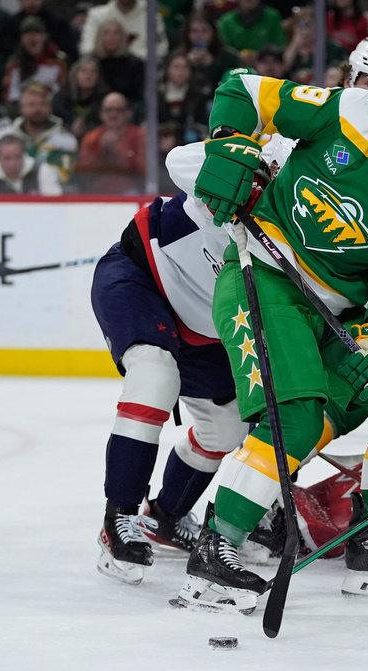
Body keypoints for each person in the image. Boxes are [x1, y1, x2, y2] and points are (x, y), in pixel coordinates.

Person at [174, 72, 368, 612]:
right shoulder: (351, 113)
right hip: (263, 273)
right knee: (297, 418)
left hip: (334, 314)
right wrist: (232, 143)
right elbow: (242, 90)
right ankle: (218, 548)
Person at [88, 147, 268, 585]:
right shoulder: (257, 172)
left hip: (207, 327)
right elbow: (177, 161)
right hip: (144, 276)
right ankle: (120, 518)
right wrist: (240, 161)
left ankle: (165, 516)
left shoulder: (305, 235)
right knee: (154, 373)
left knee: (227, 428)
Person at [3, 82, 78, 183]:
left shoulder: (65, 140)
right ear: (21, 107)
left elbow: (65, 176)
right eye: (31, 104)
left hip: (52, 195)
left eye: (43, 104)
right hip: (10, 194)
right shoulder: (4, 136)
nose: (37, 109)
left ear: (50, 107)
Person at [73, 91, 146, 193]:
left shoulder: (139, 135)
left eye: (119, 110)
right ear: (101, 113)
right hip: (96, 191)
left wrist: (119, 152)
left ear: (128, 112)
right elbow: (83, 171)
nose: (113, 114)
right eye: (108, 110)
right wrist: (101, 150)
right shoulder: (91, 138)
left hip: (130, 190)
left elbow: (145, 169)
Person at [0, 16, 69, 109]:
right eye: (28, 34)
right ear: (22, 40)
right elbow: (11, 97)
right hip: (22, 111)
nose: (32, 38)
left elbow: (62, 93)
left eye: (36, 33)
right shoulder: (14, 64)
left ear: (45, 36)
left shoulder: (59, 62)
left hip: (52, 109)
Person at [80, 0, 169, 62]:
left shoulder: (152, 16)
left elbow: (161, 49)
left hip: (142, 75)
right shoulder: (97, 15)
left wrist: (129, 57)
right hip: (102, 74)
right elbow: (86, 48)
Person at [0, 130, 63, 195]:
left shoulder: (43, 171)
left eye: (18, 157)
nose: (13, 163)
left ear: (24, 154)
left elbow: (55, 204)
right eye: (7, 158)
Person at [52, 56, 108, 140]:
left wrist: (87, 127)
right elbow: (54, 122)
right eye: (84, 71)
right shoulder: (60, 98)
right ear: (75, 74)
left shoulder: (106, 100)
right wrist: (70, 128)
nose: (88, 76)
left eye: (93, 72)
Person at [216, 0, 287, 58]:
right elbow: (224, 49)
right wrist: (238, 56)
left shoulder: (272, 16)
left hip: (266, 63)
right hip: (234, 65)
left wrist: (260, 56)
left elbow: (280, 45)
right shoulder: (226, 21)